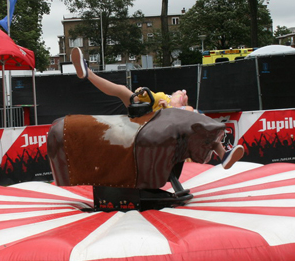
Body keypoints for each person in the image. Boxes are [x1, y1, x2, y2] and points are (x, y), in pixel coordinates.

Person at [71, 47, 244, 169]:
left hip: (165, 137)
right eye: (180, 93)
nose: (181, 94)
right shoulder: (164, 98)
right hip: (148, 124)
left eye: (183, 95)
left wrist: (170, 109)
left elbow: (202, 128)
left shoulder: (189, 111)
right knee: (124, 92)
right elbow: (143, 95)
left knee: (201, 124)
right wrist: (142, 95)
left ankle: (224, 155)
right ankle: (89, 73)